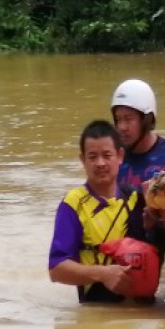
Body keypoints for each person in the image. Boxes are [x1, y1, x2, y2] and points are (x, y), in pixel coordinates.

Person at [48, 120, 155, 303]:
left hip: (144, 310)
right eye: (92, 157)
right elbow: (56, 270)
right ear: (82, 160)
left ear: (120, 156)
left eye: (107, 155)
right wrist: (103, 274)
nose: (100, 163)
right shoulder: (72, 205)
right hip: (98, 308)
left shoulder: (138, 200)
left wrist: (154, 227)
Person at [111, 79, 165, 260]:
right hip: (124, 247)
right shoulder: (111, 157)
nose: (121, 127)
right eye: (118, 120)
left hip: (161, 244)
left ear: (147, 120)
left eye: (128, 119)